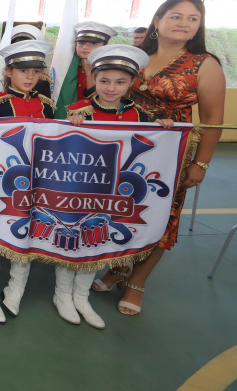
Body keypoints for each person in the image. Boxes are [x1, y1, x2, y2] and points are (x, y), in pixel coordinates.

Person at [92, 0, 225, 316]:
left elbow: (212, 119)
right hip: (127, 149)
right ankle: (119, 267)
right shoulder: (135, 56)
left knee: (161, 215)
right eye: (176, 16)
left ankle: (138, 281)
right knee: (124, 209)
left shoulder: (204, 63)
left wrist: (201, 164)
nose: (183, 23)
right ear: (157, 20)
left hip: (171, 154)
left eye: (192, 19)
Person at [64, 45, 172, 329]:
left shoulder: (139, 116)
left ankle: (81, 295)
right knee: (69, 236)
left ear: (131, 84)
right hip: (78, 190)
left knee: (96, 238)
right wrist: (70, 124)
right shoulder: (78, 111)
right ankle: (62, 294)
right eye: (104, 81)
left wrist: (162, 127)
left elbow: (154, 146)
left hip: (113, 194)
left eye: (120, 82)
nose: (111, 88)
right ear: (94, 80)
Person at [0, 39, 55, 324]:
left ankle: (16, 288)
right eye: (23, 71)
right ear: (8, 72)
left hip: (36, 183)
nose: (30, 77)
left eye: (35, 71)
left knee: (30, 229)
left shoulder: (47, 106)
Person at [74, 22, 117, 101]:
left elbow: (98, 100)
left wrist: (90, 73)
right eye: (81, 43)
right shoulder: (71, 66)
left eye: (93, 43)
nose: (85, 47)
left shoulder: (110, 69)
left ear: (105, 46)